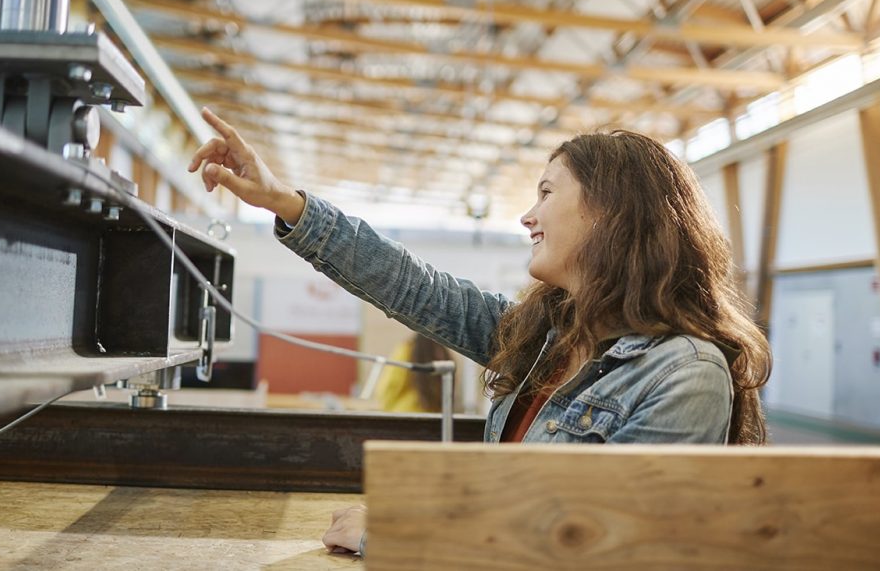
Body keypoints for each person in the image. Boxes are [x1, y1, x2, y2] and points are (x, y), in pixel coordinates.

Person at [188, 107, 772, 557]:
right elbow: (414, 287)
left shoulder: (685, 374)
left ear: (611, 214)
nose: (527, 215)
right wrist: (284, 202)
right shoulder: (550, 335)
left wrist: (402, 531)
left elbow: (597, 544)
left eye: (546, 192)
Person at [375, 332, 455, 413]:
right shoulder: (442, 350)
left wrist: (386, 407)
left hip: (405, 413)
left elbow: (391, 385)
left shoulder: (407, 349)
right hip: (434, 415)